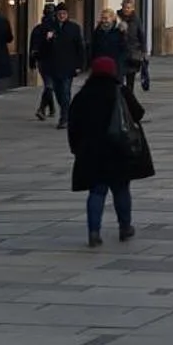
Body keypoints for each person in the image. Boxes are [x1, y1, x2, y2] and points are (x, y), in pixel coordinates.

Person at [67, 56, 150, 244]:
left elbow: (73, 125)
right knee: (121, 189)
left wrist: (76, 148)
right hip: (119, 149)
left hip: (92, 152)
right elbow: (139, 113)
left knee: (97, 192)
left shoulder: (83, 95)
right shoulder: (120, 91)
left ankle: (94, 232)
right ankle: (125, 227)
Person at [37, 4, 86, 129]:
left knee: (65, 91)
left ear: (67, 14)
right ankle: (66, 112)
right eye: (59, 14)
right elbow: (41, 48)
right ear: (56, 15)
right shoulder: (49, 28)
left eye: (64, 14)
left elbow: (80, 47)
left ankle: (64, 117)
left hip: (68, 65)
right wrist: (48, 40)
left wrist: (79, 64)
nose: (62, 16)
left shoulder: (74, 28)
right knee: (58, 92)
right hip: (52, 65)